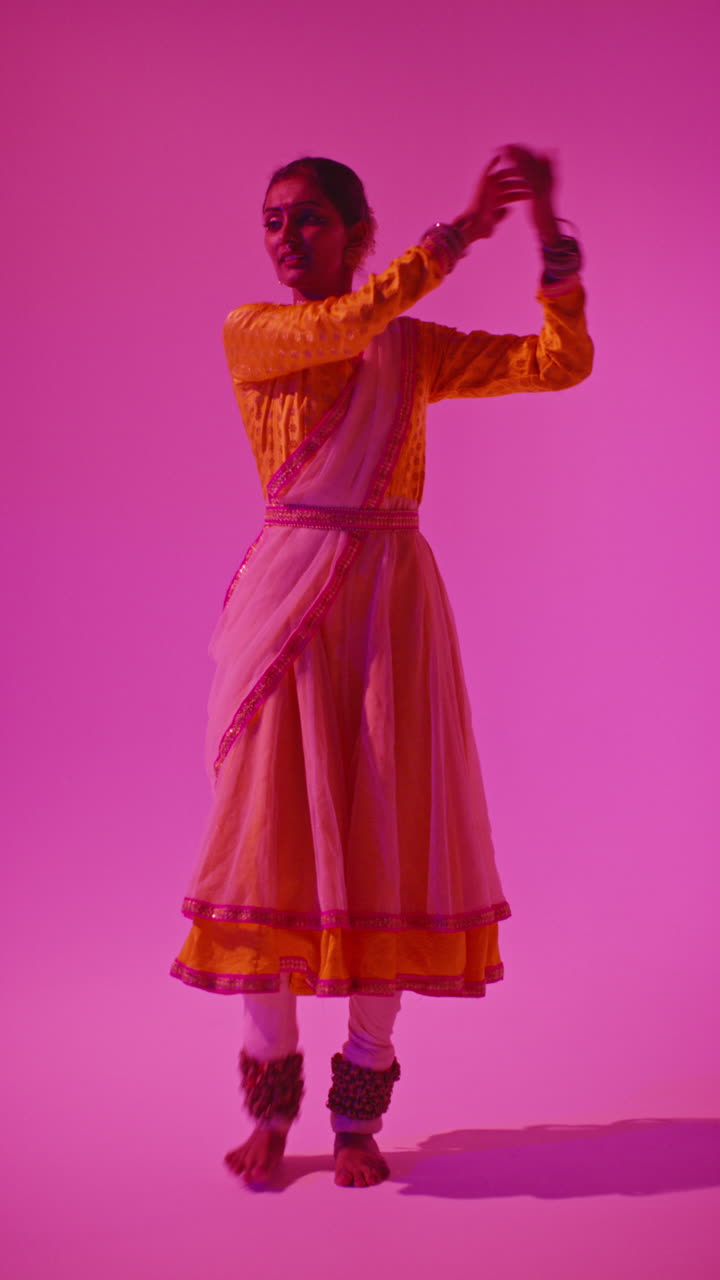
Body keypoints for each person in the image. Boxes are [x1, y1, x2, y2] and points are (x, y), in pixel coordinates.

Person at [171, 146, 594, 1189]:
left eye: (309, 221)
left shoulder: (410, 351)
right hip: (287, 606)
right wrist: (457, 234)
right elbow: (342, 327)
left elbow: (557, 363)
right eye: (273, 220)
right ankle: (271, 1109)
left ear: (357, 234)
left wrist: (549, 242)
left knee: (386, 844)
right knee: (262, 852)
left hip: (392, 609)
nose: (284, 239)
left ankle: (357, 1116)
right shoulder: (257, 332)